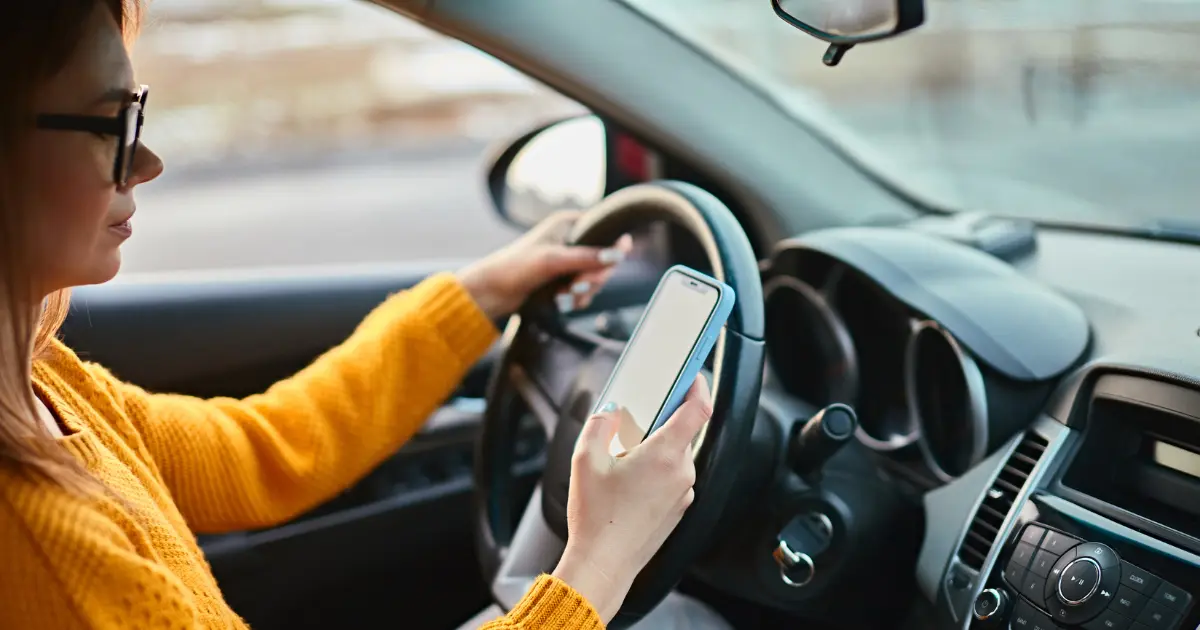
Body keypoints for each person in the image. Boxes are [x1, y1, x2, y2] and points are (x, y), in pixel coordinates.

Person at [0, 1, 718, 628]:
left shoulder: (47, 385)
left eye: (140, 113)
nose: (147, 159)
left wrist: (481, 295)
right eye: (109, 123)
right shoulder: (48, 554)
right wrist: (596, 566)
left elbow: (266, 451)